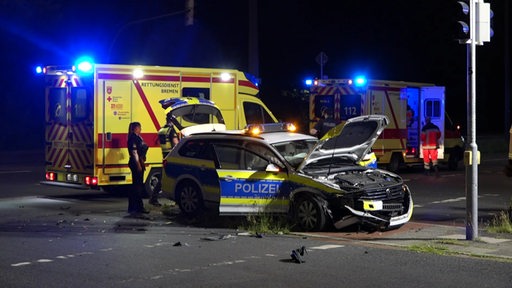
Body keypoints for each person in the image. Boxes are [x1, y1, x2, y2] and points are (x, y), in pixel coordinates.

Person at [127, 122, 150, 217]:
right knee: (138, 186)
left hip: (139, 162)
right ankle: (138, 207)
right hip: (135, 163)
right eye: (139, 127)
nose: (141, 129)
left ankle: (133, 207)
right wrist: (138, 165)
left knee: (137, 185)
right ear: (136, 128)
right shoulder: (133, 138)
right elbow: (134, 152)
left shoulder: (137, 137)